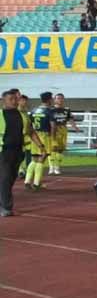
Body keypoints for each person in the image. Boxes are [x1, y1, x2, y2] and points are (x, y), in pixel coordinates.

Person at [1, 89, 38, 217]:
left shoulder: (23, 115)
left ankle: (3, 201)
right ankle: (6, 207)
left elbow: (30, 131)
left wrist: (41, 145)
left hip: (18, 152)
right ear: (3, 101)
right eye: (11, 99)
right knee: (5, 178)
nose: (14, 101)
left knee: (11, 178)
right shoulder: (0, 115)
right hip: (3, 152)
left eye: (15, 99)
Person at [26, 92, 56, 191]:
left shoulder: (34, 110)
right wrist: (53, 139)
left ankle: (27, 181)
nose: (52, 100)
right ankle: (36, 183)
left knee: (34, 159)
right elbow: (53, 126)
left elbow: (29, 125)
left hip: (34, 136)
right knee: (41, 159)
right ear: (48, 100)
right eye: (52, 98)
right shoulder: (49, 111)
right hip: (44, 136)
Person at [48, 93, 76, 175]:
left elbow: (70, 119)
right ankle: (51, 167)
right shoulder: (51, 110)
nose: (60, 100)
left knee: (61, 149)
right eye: (58, 98)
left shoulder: (66, 110)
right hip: (54, 129)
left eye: (61, 98)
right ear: (54, 100)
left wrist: (75, 127)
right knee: (53, 148)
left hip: (63, 129)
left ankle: (57, 167)